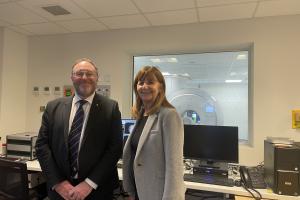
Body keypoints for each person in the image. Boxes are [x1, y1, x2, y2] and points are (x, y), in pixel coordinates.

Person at [35, 58, 122, 200]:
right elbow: (41, 146)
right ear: (72, 77)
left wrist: (89, 184)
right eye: (79, 73)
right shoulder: (53, 107)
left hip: (96, 191)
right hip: (60, 192)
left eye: (89, 74)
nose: (84, 78)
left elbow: (114, 149)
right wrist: (58, 183)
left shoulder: (110, 108)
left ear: (97, 78)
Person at [122, 66, 185, 200]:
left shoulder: (169, 115)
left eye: (150, 82)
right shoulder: (141, 115)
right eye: (141, 82)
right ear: (136, 87)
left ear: (160, 87)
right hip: (139, 190)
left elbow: (175, 165)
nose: (144, 86)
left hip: (157, 192)